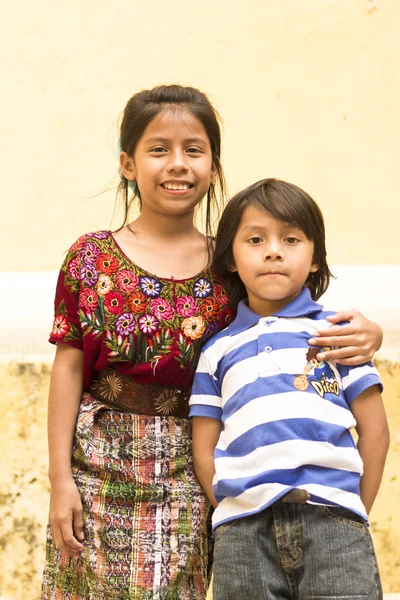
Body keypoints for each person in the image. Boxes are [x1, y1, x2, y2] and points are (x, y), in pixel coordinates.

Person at [41, 86, 383, 600]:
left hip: (196, 476)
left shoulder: (231, 266)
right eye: (159, 149)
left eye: (194, 150)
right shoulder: (91, 259)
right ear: (128, 164)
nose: (177, 164)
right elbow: (68, 369)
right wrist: (59, 478)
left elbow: (290, 318)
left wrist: (369, 333)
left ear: (213, 166)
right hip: (98, 467)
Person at [189, 178, 389, 600]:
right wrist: (231, 507)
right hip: (243, 536)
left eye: (292, 238)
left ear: (315, 258)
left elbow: (376, 431)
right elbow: (204, 447)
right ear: (230, 260)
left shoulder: (338, 334)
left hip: (333, 523)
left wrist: (354, 511)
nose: (274, 250)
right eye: (256, 239)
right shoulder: (216, 350)